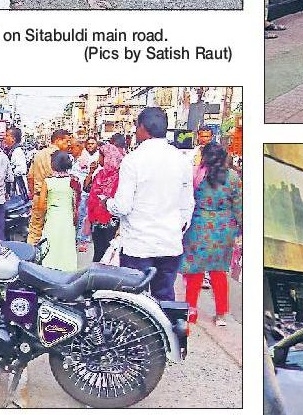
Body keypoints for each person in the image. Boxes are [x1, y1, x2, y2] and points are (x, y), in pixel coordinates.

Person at [107, 107, 195, 303]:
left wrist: (107, 203)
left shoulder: (133, 160)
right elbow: (187, 205)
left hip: (138, 245)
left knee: (133, 304)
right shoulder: (182, 160)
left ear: (142, 128)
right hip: (169, 244)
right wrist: (174, 229)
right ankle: (172, 332)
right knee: (164, 298)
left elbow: (122, 207)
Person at [180, 143, 243, 327]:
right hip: (224, 229)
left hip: (199, 226)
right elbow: (238, 205)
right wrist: (241, 228)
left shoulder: (197, 174)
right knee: (219, 272)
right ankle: (221, 314)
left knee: (195, 271)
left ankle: (190, 311)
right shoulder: (232, 177)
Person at [27, 128, 72, 243]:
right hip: (56, 200)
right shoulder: (60, 156)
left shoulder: (38, 154)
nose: (68, 144)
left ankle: (32, 257)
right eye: (66, 141)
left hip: (38, 197)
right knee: (54, 231)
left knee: (35, 231)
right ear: (58, 140)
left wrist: (33, 194)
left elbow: (30, 176)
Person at [39, 150, 80, 271]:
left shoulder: (48, 181)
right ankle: (67, 270)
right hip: (67, 218)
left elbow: (41, 205)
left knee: (51, 244)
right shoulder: (74, 181)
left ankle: (49, 269)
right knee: (66, 244)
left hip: (53, 217)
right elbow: (76, 202)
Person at [86, 142, 123, 262]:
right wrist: (91, 172)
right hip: (96, 220)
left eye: (101, 156)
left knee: (108, 251)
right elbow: (87, 189)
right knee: (98, 251)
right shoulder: (99, 174)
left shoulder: (119, 176)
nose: (99, 159)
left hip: (111, 222)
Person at [5, 127, 28, 197]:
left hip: (18, 190)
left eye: (7, 136)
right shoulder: (12, 151)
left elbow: (21, 171)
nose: (5, 138)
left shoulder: (17, 152)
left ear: (13, 139)